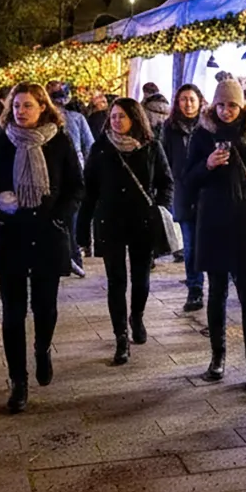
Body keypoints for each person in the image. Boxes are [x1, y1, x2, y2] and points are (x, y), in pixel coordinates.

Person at [0, 82, 85, 413]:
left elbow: (76, 187)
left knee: (45, 307)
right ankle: (18, 381)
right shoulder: (1, 143)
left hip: (47, 233)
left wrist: (59, 217)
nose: (21, 112)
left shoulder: (59, 142)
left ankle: (42, 349)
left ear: (43, 107)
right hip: (11, 235)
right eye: (16, 106)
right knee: (13, 313)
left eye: (28, 105)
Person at [184, 78, 246, 392]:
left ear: (242, 105)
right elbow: (188, 178)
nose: (226, 111)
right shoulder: (202, 134)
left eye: (232, 105)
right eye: (221, 105)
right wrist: (206, 165)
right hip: (214, 220)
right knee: (217, 290)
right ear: (214, 105)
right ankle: (217, 359)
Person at [78, 97, 174, 365]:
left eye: (122, 116)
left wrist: (161, 208)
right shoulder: (101, 148)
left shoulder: (151, 147)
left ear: (135, 117)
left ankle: (138, 317)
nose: (117, 121)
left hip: (143, 221)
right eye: (114, 116)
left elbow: (166, 182)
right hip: (111, 222)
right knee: (116, 281)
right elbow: (89, 191)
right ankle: (121, 336)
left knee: (142, 277)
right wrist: (82, 230)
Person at [164, 83, 206, 306]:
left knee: (212, 242)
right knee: (190, 246)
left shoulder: (209, 126)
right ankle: (195, 289)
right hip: (184, 194)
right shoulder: (169, 128)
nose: (188, 104)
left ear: (200, 101)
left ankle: (220, 287)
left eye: (191, 99)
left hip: (208, 193)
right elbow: (165, 160)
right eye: (183, 100)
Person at [47, 81, 93, 276]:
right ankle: (74, 258)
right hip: (74, 172)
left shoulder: (56, 121)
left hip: (61, 175)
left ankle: (67, 258)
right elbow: (89, 145)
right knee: (71, 217)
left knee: (64, 216)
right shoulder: (77, 119)